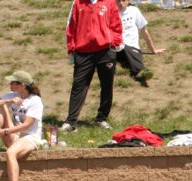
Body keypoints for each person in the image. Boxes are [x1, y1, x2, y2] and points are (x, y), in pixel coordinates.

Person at [61, 0, 123, 132]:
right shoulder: (78, 3)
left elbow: (117, 24)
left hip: (105, 51)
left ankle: (102, 119)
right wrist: (71, 49)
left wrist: (115, 42)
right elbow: (71, 27)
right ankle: (71, 121)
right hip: (83, 52)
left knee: (107, 85)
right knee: (78, 86)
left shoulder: (110, 2)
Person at [115, 0, 166, 87]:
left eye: (123, 0)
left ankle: (139, 71)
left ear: (128, 1)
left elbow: (144, 31)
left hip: (132, 46)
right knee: (120, 47)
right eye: (118, 1)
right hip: (116, 46)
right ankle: (140, 70)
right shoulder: (111, 13)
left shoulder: (134, 11)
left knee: (128, 50)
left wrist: (153, 50)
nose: (121, 3)